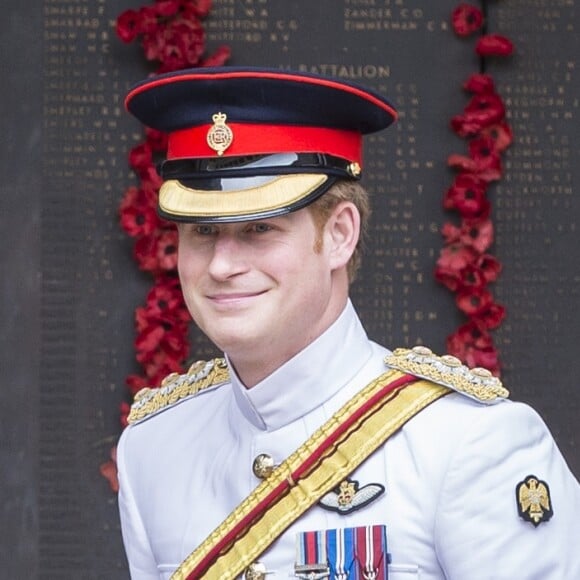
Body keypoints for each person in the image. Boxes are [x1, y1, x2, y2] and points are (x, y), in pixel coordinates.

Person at [117, 67, 580, 580]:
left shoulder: (469, 443)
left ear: (339, 234)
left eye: (259, 229)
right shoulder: (153, 448)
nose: (222, 266)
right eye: (203, 231)